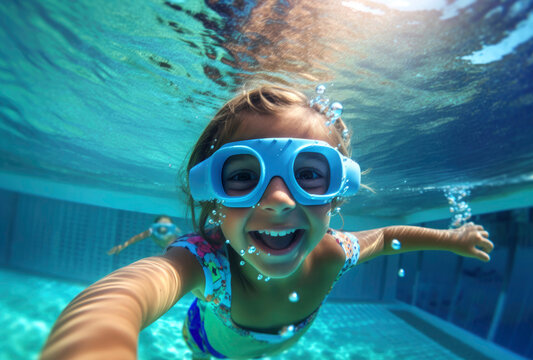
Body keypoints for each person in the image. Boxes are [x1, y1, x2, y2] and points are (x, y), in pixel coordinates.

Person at [40, 85, 494, 360]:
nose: (278, 199)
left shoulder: (334, 251)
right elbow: (125, 295)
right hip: (210, 346)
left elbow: (392, 237)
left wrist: (453, 239)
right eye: (242, 176)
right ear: (211, 192)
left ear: (337, 193)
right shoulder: (206, 263)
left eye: (309, 175)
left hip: (279, 343)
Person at [107, 215, 181, 255]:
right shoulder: (151, 232)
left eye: (167, 226)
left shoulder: (175, 232)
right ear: (155, 226)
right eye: (160, 225)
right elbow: (136, 238)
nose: (163, 229)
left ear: (172, 226)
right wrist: (122, 246)